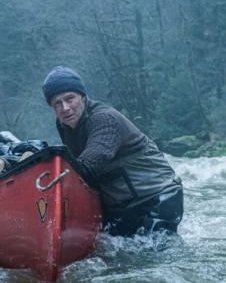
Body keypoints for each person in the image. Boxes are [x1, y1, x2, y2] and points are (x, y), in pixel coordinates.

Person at [42, 66, 184, 236]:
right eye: (57, 103)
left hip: (157, 198)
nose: (65, 108)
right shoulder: (64, 125)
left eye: (69, 99)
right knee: (113, 254)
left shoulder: (104, 119)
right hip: (122, 205)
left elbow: (87, 168)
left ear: (83, 96)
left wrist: (47, 165)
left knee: (151, 256)